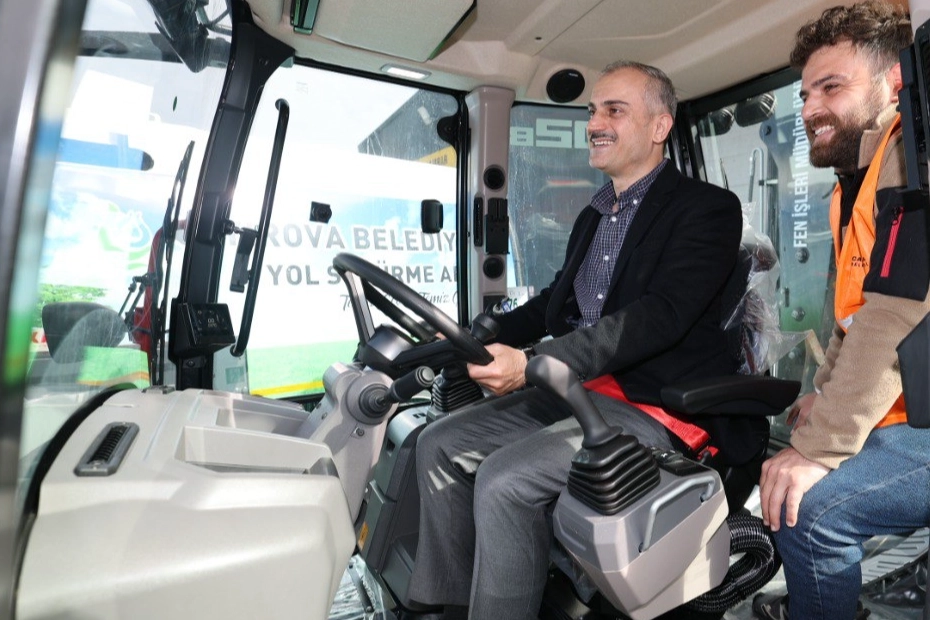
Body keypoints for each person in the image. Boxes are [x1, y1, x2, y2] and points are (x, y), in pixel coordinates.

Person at [407, 61, 753, 620]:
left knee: (504, 479)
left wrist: (534, 362)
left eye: (614, 110)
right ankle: (449, 603)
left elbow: (660, 315)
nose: (594, 123)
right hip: (583, 390)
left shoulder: (707, 209)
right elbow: (554, 303)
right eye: (593, 111)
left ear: (660, 126)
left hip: (654, 403)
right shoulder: (595, 215)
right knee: (437, 444)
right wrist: (473, 335)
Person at [756, 3, 930, 619]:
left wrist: (820, 447)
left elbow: (895, 312)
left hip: (922, 423)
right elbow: (854, 315)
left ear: (894, 80)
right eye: (806, 93)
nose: (810, 109)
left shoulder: (911, 159)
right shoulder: (848, 187)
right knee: (784, 467)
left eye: (832, 87)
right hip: (899, 411)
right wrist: (823, 397)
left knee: (809, 512)